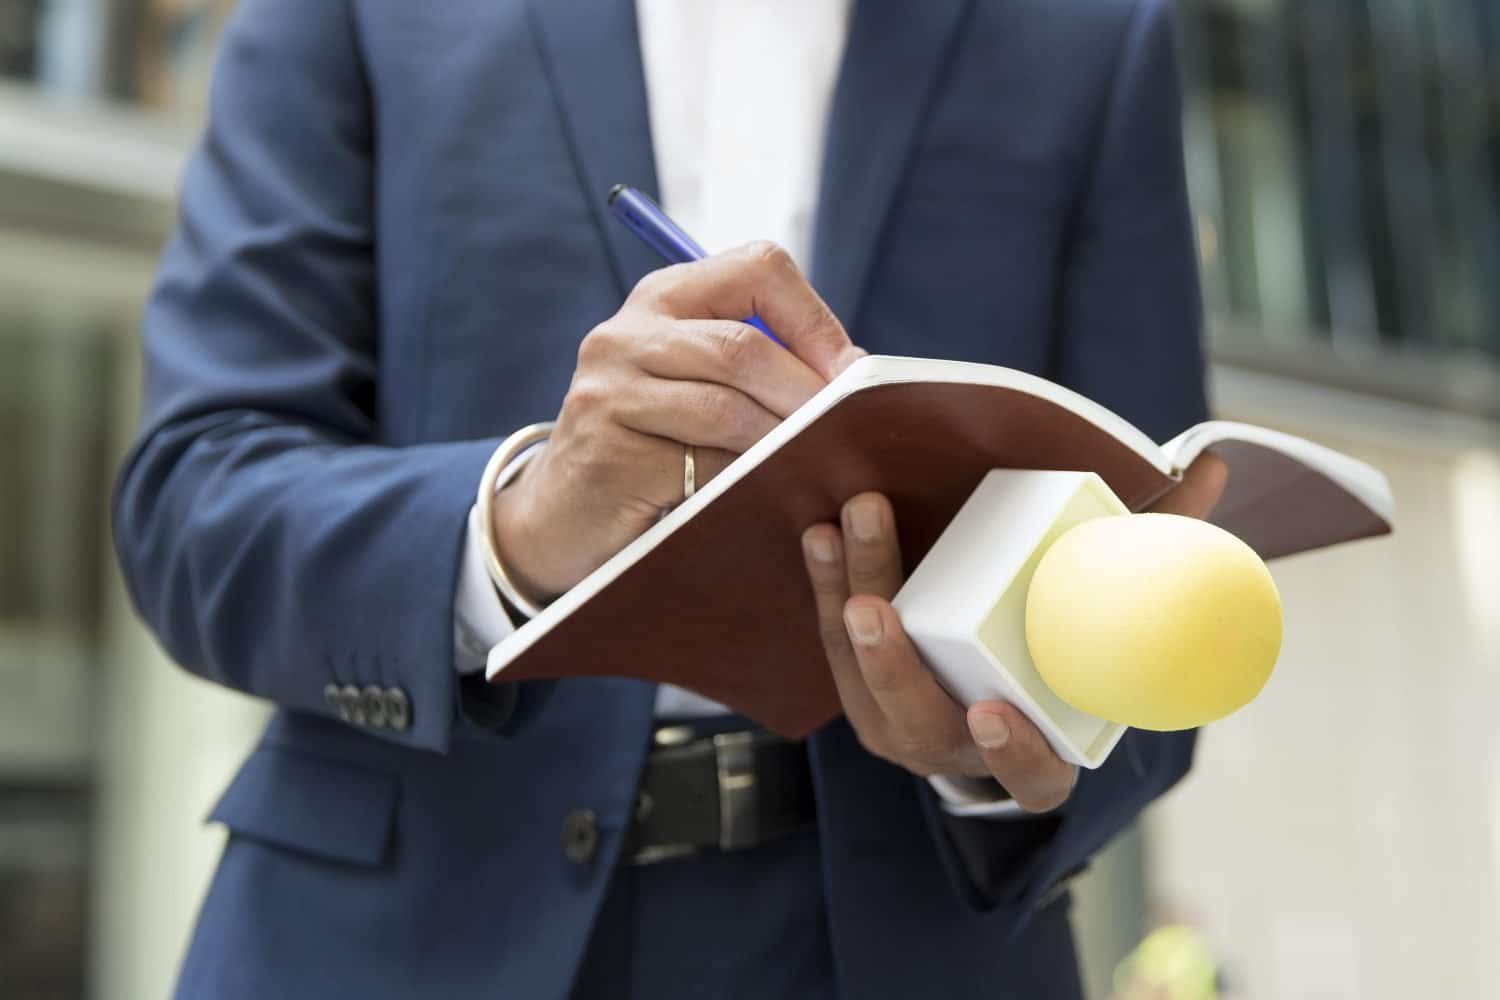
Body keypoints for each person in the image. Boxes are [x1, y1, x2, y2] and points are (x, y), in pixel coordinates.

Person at [112, 0, 1218, 996]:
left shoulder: (1087, 36)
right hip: (400, 932)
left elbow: (1162, 561)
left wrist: (985, 749)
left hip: (894, 938)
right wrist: (520, 528)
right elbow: (194, 503)